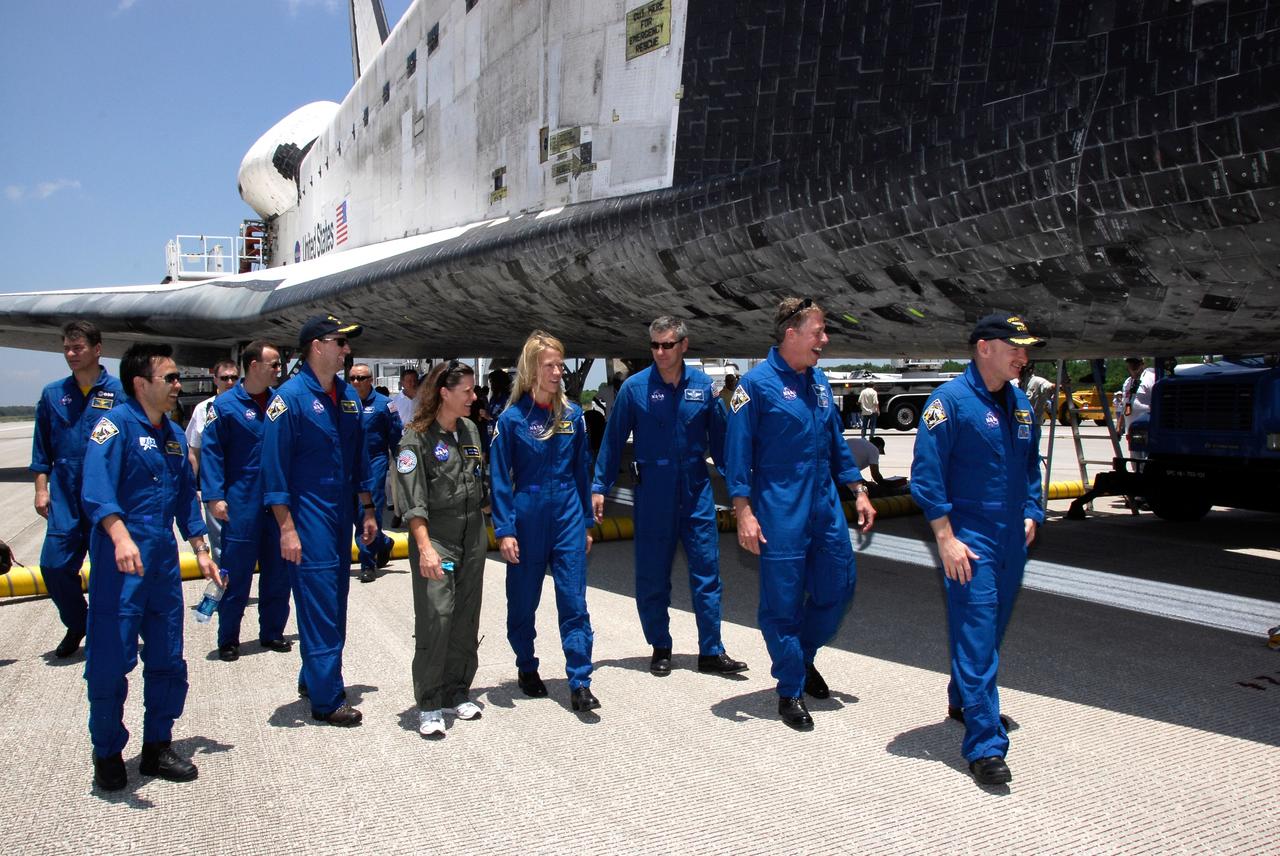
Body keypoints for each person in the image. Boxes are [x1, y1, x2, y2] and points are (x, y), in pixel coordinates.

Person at [725, 298, 876, 730]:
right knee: (783, 605)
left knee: (839, 588)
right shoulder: (753, 388)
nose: (824, 340)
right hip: (779, 509)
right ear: (791, 334)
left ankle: (802, 655)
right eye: (818, 332)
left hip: (824, 504)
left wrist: (858, 489)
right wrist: (743, 511)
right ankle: (790, 688)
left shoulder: (820, 382)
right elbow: (737, 456)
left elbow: (834, 442)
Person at [909, 312, 1047, 787]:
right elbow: (926, 477)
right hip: (971, 539)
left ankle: (962, 700)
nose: (1024, 358)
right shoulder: (949, 403)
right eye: (1016, 348)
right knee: (978, 634)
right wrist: (945, 538)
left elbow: (1031, 467)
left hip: (1012, 536)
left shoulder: (1022, 405)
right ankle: (985, 745)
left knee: (990, 630)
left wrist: (1033, 510)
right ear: (985, 347)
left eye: (1026, 350)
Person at [80, 342, 220, 791]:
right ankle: (107, 752)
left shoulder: (175, 438)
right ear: (141, 383)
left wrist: (201, 552)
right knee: (109, 660)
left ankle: (158, 746)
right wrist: (120, 538)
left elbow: (186, 503)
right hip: (119, 561)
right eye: (171, 378)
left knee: (166, 657)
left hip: (160, 561)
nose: (180, 385)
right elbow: (97, 491)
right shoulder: (113, 427)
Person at [591, 316, 746, 677]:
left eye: (668, 345)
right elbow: (612, 442)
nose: (660, 352)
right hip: (654, 492)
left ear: (684, 345)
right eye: (655, 345)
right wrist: (599, 487)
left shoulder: (705, 388)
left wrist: (742, 492)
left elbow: (723, 447)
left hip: (695, 490)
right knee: (652, 574)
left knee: (707, 572)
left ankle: (711, 650)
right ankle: (660, 647)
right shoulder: (634, 389)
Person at [262, 314, 378, 727]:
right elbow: (273, 472)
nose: (346, 350)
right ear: (316, 346)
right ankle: (327, 700)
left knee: (333, 602)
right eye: (339, 343)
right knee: (320, 605)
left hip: (339, 516)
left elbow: (358, 457)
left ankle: (314, 676)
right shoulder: (288, 399)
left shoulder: (347, 397)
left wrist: (367, 509)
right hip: (307, 518)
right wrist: (287, 528)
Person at [490, 331, 599, 712]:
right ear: (531, 369)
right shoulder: (513, 418)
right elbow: (500, 478)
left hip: (567, 515)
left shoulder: (573, 416)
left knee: (574, 600)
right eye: (549, 365)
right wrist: (504, 530)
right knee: (522, 603)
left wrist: (586, 521)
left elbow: (582, 472)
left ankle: (580, 679)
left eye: (560, 365)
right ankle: (526, 666)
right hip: (527, 517)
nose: (557, 372)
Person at [395, 360, 487, 738]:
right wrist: (425, 549)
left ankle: (456, 691)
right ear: (445, 393)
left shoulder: (470, 430)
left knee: (466, 615)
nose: (474, 396)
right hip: (436, 538)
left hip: (473, 535)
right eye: (466, 391)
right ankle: (430, 702)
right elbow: (412, 503)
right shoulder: (414, 438)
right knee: (437, 615)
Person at [30, 320, 126, 659]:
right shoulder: (53, 394)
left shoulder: (121, 393)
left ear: (97, 349)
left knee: (109, 570)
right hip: (65, 493)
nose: (71, 354)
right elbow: (42, 448)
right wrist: (41, 489)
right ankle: (78, 621)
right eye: (67, 348)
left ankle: (108, 629)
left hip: (108, 493)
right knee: (53, 566)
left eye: (78, 348)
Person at [198, 341, 293, 662]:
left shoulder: (281, 404)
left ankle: (272, 632)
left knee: (278, 573)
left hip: (277, 503)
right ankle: (229, 638)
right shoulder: (225, 407)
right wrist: (214, 497)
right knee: (236, 574)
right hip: (241, 504)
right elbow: (211, 453)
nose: (278, 370)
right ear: (253, 365)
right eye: (274, 364)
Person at [348, 363, 401, 583]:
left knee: (366, 513)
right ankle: (384, 542)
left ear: (371, 380)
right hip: (348, 466)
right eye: (352, 378)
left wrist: (401, 464)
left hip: (374, 464)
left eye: (361, 378)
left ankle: (367, 563)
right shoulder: (343, 402)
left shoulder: (385, 405)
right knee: (351, 514)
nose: (356, 382)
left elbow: (396, 436)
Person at [185, 359, 240, 564]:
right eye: (224, 378)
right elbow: (194, 451)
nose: (230, 382)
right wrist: (191, 487)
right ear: (215, 379)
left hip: (243, 486)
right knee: (220, 548)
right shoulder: (203, 409)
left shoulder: (248, 406)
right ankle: (223, 592)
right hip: (216, 488)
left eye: (234, 378)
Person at [1121, 358, 1156, 457]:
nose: (1133, 365)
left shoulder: (1151, 378)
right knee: (1135, 463)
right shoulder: (1127, 382)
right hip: (1131, 431)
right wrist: (1119, 428)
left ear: (1142, 363)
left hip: (1146, 430)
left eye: (1136, 362)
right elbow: (1124, 406)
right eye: (1130, 362)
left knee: (1147, 460)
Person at [480, 367, 511, 459]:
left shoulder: (508, 400)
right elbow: (488, 424)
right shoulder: (493, 399)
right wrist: (484, 450)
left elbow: (507, 422)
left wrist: (489, 417)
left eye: (493, 382)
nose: (491, 385)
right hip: (491, 441)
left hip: (503, 444)